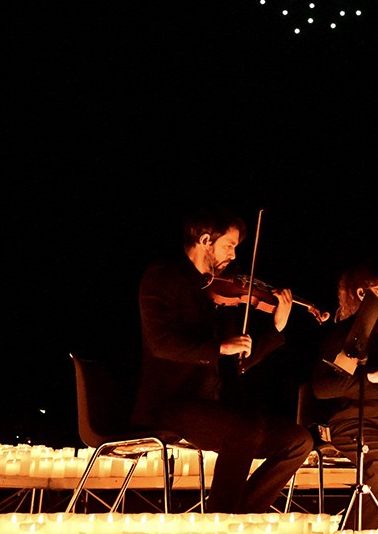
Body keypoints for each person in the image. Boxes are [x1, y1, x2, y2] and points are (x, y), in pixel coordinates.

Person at [135, 210, 314, 514]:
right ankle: (224, 519)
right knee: (244, 430)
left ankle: (237, 516)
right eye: (229, 245)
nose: (233, 254)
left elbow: (239, 362)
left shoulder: (218, 291)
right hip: (170, 403)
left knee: (298, 441)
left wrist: (276, 329)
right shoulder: (163, 276)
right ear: (205, 241)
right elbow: (161, 344)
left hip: (213, 406)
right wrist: (218, 347)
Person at [308, 262, 378, 527]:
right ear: (359, 294)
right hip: (354, 421)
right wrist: (369, 377)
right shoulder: (342, 334)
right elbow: (323, 389)